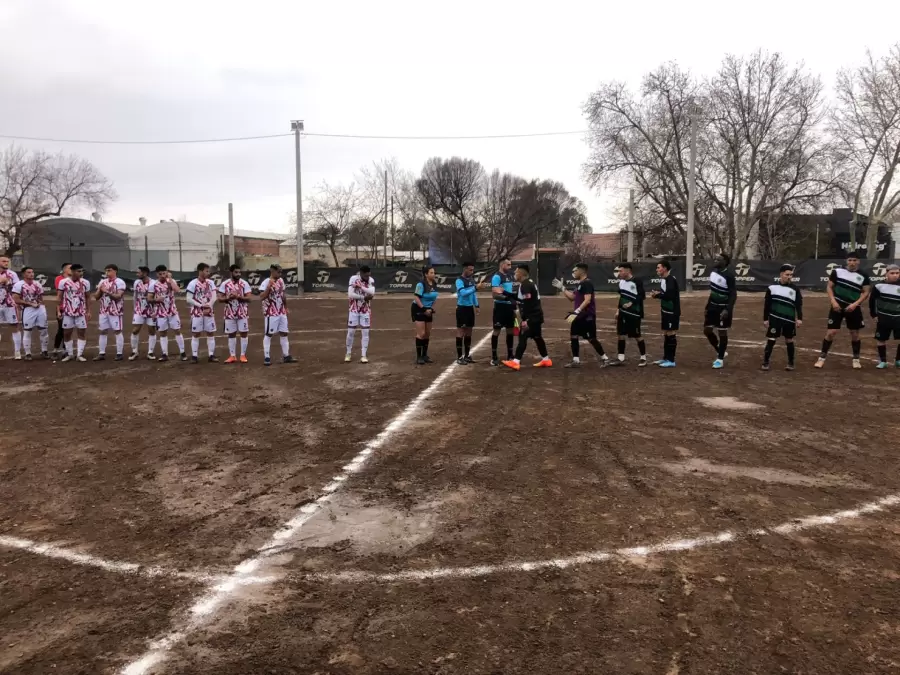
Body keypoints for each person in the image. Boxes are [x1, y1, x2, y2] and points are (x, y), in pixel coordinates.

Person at [815, 251, 870, 369]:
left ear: (858, 262)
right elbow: (829, 287)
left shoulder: (864, 275)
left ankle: (856, 359)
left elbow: (866, 292)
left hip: (853, 308)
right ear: (846, 261)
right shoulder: (837, 272)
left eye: (854, 260)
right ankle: (821, 358)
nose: (852, 263)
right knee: (831, 333)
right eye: (850, 260)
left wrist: (855, 304)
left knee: (854, 334)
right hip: (837, 306)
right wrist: (833, 302)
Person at [552, 263, 609, 368]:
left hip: (587, 316)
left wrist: (577, 310)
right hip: (578, 315)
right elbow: (572, 298)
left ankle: (605, 358)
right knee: (574, 336)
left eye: (575, 270)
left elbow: (587, 300)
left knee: (591, 338)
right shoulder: (580, 284)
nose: (573, 272)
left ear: (582, 271)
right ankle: (576, 360)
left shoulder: (587, 283)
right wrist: (562, 288)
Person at [502, 264, 551, 370]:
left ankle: (516, 361)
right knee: (537, 337)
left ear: (521, 273)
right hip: (536, 316)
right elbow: (521, 299)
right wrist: (505, 293)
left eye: (516, 272)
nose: (514, 274)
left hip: (531, 317)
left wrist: (525, 320)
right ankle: (546, 359)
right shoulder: (527, 283)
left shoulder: (525, 285)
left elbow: (527, 302)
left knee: (523, 337)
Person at [762, 264, 803, 371]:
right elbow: (767, 305)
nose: (789, 277)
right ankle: (765, 362)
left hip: (789, 319)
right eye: (787, 274)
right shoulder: (772, 288)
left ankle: (791, 363)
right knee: (771, 339)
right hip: (775, 318)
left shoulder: (795, 289)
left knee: (789, 340)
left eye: (791, 275)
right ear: (781, 274)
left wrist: (799, 318)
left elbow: (798, 305)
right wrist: (765, 319)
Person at [703, 253, 737, 369]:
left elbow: (733, 294)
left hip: (723, 308)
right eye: (716, 258)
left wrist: (728, 309)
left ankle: (720, 359)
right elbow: (712, 292)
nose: (716, 260)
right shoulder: (713, 273)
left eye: (719, 259)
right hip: (712, 306)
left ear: (725, 262)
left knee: (722, 332)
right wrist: (707, 307)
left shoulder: (729, 275)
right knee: (707, 330)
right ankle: (720, 350)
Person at [148, 265, 187, 362]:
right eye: (160, 274)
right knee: (162, 333)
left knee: (177, 331)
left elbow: (177, 290)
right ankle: (164, 353)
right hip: (160, 312)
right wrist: (156, 299)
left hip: (172, 311)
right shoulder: (153, 284)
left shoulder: (170, 281)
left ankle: (182, 352)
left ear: (167, 272)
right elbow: (149, 298)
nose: (162, 275)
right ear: (157, 274)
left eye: (164, 273)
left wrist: (169, 278)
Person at [613, 262, 647, 366]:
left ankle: (643, 357)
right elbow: (621, 297)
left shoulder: (637, 281)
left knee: (637, 335)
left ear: (628, 270)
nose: (619, 273)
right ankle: (621, 357)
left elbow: (642, 296)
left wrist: (631, 303)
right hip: (623, 312)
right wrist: (618, 310)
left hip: (634, 313)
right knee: (620, 334)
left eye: (621, 271)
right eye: (618, 271)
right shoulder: (621, 282)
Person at [259, 264, 294, 366]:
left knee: (284, 333)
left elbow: (283, 295)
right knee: (269, 334)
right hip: (271, 312)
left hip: (281, 311)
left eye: (281, 272)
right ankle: (267, 357)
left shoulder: (281, 281)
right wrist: (268, 288)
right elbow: (261, 297)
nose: (280, 274)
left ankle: (286, 356)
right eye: (278, 272)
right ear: (272, 271)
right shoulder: (266, 282)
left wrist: (286, 307)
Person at [12, 267, 49, 360]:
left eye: (32, 272)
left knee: (43, 330)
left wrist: (39, 303)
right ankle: (28, 353)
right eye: (29, 272)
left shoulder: (38, 284)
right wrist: (29, 303)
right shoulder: (19, 285)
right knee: (27, 331)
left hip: (40, 309)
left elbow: (41, 297)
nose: (31, 274)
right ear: (24, 274)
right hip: (28, 310)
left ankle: (44, 351)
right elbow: (16, 299)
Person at [217, 264, 252, 364]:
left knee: (243, 333)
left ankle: (242, 355)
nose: (238, 274)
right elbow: (219, 299)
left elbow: (249, 298)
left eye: (239, 272)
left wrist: (238, 297)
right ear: (231, 272)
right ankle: (232, 356)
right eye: (236, 272)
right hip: (229, 313)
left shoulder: (244, 283)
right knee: (231, 334)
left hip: (242, 313)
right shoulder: (225, 284)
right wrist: (228, 298)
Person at [57, 263, 91, 362]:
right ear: (72, 272)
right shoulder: (63, 282)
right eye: (78, 271)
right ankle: (70, 354)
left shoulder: (86, 282)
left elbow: (88, 297)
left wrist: (88, 311)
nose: (81, 273)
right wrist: (58, 310)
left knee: (81, 332)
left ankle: (79, 354)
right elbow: (59, 297)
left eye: (82, 271)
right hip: (68, 312)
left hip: (81, 312)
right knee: (67, 333)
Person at [185, 263, 218, 364]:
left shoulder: (211, 283)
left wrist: (209, 305)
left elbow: (214, 296)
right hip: (197, 312)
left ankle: (211, 355)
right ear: (200, 271)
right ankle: (194, 356)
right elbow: (188, 299)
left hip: (209, 311)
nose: (208, 273)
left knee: (210, 332)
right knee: (196, 333)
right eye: (206, 271)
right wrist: (201, 306)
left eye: (208, 271)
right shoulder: (192, 283)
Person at [93, 264, 127, 361]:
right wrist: (100, 289)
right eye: (106, 270)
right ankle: (101, 353)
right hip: (104, 310)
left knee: (117, 331)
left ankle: (119, 353)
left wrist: (106, 291)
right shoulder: (102, 282)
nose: (107, 272)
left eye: (109, 270)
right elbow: (96, 297)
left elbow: (118, 296)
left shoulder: (120, 282)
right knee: (103, 331)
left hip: (115, 311)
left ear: (115, 271)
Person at [650, 259, 680, 368]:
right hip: (665, 310)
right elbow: (665, 293)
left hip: (672, 311)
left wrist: (657, 295)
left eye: (659, 267)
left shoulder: (670, 280)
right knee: (666, 333)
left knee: (671, 333)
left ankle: (671, 360)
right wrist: (658, 293)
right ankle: (666, 358)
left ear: (665, 268)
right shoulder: (664, 280)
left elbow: (670, 296)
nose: (657, 270)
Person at [869, 263, 900, 369]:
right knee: (881, 339)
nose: (895, 275)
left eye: (897, 273)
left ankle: (898, 360)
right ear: (886, 274)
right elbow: (872, 301)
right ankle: (883, 361)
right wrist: (874, 315)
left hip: (898, 317)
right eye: (892, 273)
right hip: (883, 317)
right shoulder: (878, 286)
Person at [488, 257, 516, 366]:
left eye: (510, 265)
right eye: (508, 265)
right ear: (502, 265)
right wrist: (507, 299)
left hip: (509, 308)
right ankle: (494, 357)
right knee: (497, 331)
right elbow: (494, 294)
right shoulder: (496, 277)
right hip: (500, 307)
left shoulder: (510, 276)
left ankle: (510, 354)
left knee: (510, 331)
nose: (510, 267)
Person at [345, 265, 375, 364]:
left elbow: (372, 292)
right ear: (361, 273)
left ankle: (363, 355)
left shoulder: (370, 280)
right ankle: (348, 353)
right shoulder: (353, 278)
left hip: (365, 310)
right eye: (366, 276)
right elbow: (350, 294)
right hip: (353, 309)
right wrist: (363, 297)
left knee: (365, 333)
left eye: (368, 275)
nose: (367, 278)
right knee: (351, 332)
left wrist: (360, 287)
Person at [412, 266, 439, 365]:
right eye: (431, 273)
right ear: (426, 274)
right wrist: (424, 309)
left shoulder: (434, 284)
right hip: (419, 309)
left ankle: (425, 355)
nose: (434, 274)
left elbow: (435, 297)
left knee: (427, 333)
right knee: (421, 334)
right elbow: (416, 297)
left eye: (434, 272)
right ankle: (419, 357)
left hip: (428, 310)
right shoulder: (421, 284)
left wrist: (431, 308)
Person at [130, 266, 157, 360]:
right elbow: (135, 296)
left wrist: (156, 311)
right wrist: (134, 308)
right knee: (135, 330)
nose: (137, 274)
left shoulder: (153, 283)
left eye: (139, 272)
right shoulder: (137, 282)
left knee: (151, 330)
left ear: (145, 273)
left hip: (151, 310)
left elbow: (156, 297)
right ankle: (134, 351)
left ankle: (150, 352)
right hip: (139, 309)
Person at [454, 262, 479, 364]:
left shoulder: (471, 280)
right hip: (462, 309)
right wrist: (475, 288)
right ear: (465, 269)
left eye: (473, 270)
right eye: (470, 270)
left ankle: (467, 355)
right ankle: (460, 357)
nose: (472, 272)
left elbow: (473, 295)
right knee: (461, 332)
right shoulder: (459, 281)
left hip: (469, 309)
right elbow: (463, 293)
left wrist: (476, 305)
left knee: (469, 332)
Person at [0, 256, 22, 359]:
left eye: (7, 261)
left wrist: (7, 283)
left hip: (10, 304)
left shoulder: (12, 274)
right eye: (4, 261)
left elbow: (17, 289)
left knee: (14, 326)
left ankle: (17, 352)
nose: (6, 263)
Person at [52, 262, 71, 358]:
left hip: (71, 308)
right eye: (70, 268)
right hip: (62, 308)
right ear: (64, 270)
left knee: (68, 329)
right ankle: (55, 349)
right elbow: (59, 296)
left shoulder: (74, 279)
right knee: (61, 329)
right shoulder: (59, 279)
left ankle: (65, 349)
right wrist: (58, 310)